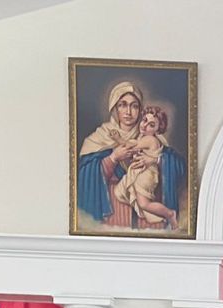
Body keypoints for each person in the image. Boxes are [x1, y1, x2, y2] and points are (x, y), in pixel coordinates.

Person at [76, 80, 186, 231]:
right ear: (114, 108)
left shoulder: (151, 137)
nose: (128, 112)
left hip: (146, 214)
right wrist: (113, 158)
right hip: (114, 210)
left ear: (140, 110)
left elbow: (179, 166)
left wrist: (157, 160)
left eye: (134, 106)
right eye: (122, 105)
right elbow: (84, 173)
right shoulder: (99, 137)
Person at [113, 106, 180, 229]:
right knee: (126, 195)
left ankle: (170, 214)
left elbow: (130, 146)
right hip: (141, 173)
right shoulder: (144, 138)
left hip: (146, 175)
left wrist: (118, 138)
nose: (145, 125)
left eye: (151, 125)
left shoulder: (150, 139)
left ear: (157, 131)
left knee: (144, 204)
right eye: (144, 120)